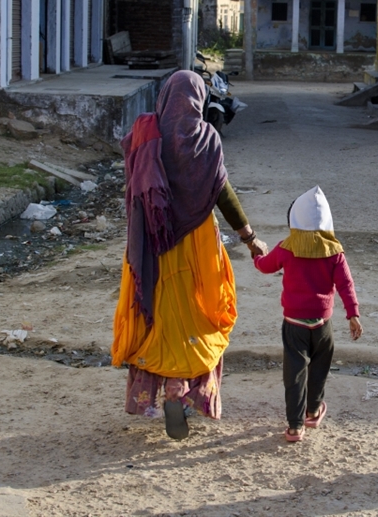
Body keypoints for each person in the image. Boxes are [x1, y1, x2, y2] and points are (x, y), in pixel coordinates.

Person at [111, 70, 268, 440]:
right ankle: (182, 394)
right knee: (199, 317)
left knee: (161, 318)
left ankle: (162, 390)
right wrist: (250, 238)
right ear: (198, 101)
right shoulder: (204, 141)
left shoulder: (144, 136)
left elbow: (135, 190)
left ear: (164, 98)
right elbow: (224, 194)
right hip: (197, 245)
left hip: (153, 243)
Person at [251, 186, 363, 442]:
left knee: (295, 375)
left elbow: (265, 266)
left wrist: (257, 257)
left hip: (294, 324)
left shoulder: (287, 247)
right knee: (319, 370)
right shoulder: (334, 251)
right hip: (323, 325)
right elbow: (346, 285)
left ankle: (294, 426)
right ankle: (314, 410)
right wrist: (353, 315)